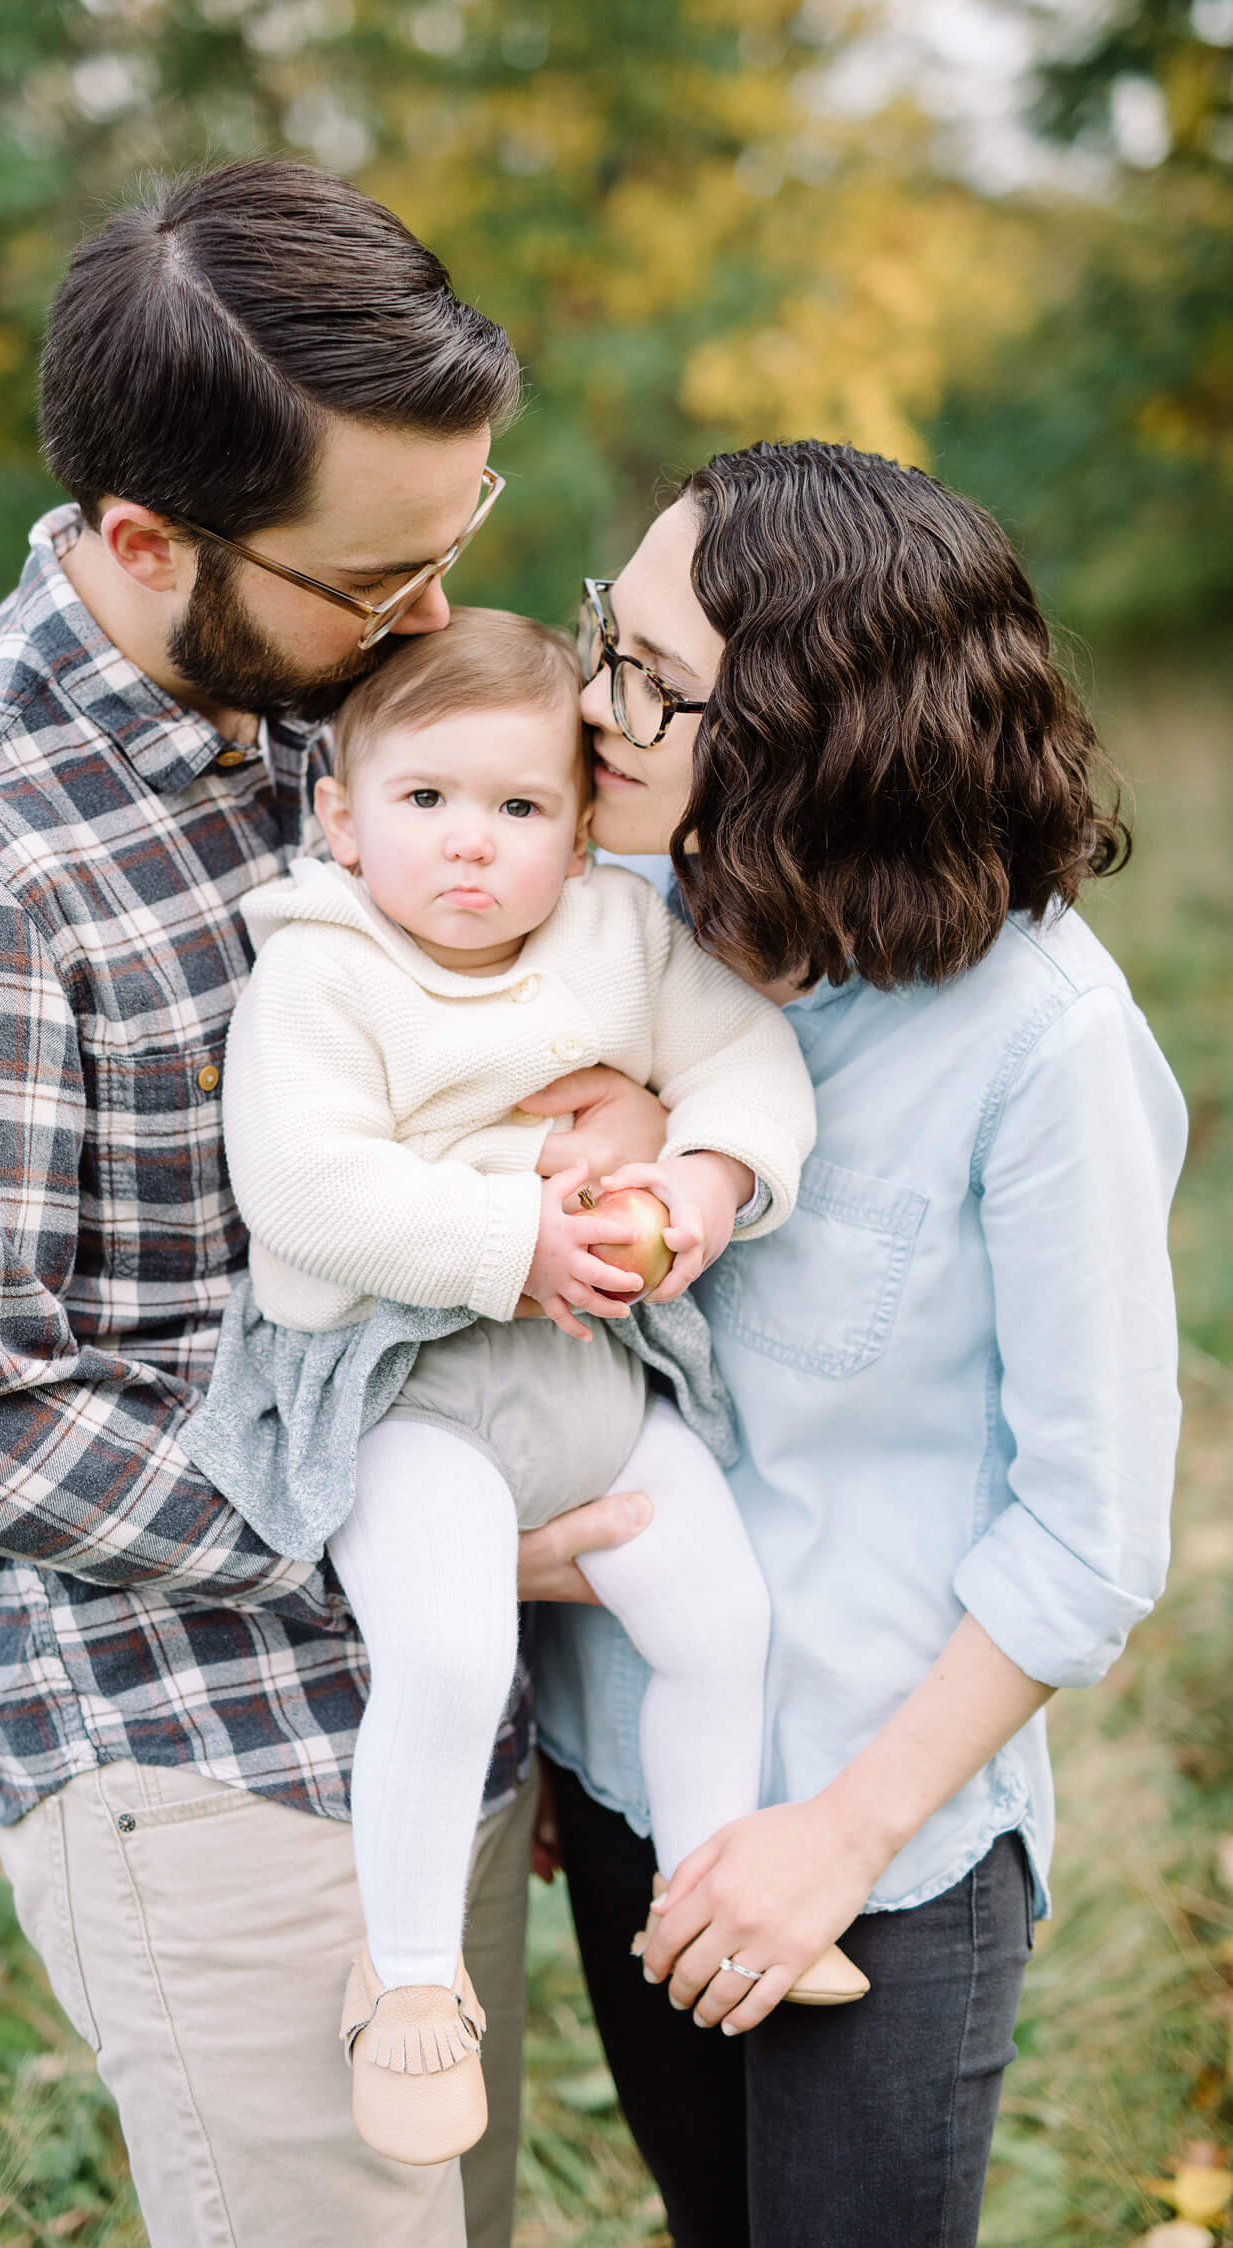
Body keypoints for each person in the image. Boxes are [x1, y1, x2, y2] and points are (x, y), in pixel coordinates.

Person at [0, 160, 656, 2248]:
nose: (433, 626)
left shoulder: (321, 716)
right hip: (207, 1763)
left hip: (433, 1705)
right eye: (376, 584)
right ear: (146, 539)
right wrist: (426, 1530)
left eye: (464, 543)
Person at [530, 438, 1188, 2248]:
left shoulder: (1042, 1043)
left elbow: (1090, 1536)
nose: (592, 706)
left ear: (814, 747)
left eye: (652, 683)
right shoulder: (618, 931)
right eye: (612, 639)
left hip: (876, 1847)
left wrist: (836, 1845)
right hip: (617, 1782)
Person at [182, 605, 867, 2165]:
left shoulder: (619, 939)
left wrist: (702, 1179)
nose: (472, 848)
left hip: (591, 1374)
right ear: (342, 819)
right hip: (403, 1382)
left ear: (579, 831)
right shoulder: (322, 969)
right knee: (445, 1648)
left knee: (721, 1619)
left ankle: (709, 1881)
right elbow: (307, 1184)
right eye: (426, 803)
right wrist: (514, 1235)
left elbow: (751, 1064)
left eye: (520, 808)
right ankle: (411, 1978)